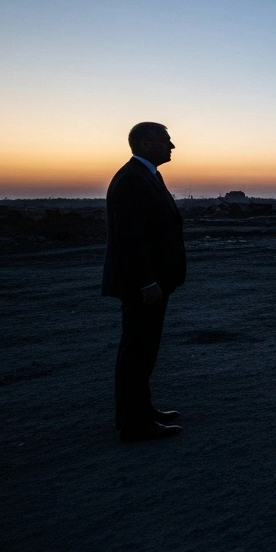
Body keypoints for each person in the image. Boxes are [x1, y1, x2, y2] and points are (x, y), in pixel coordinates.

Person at [102, 122, 186, 441]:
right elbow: (129, 238)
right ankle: (134, 423)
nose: (172, 146)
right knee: (137, 351)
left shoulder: (147, 175)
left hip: (153, 285)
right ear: (147, 143)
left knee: (144, 350)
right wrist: (146, 283)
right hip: (143, 287)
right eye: (167, 140)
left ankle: (142, 410)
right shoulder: (133, 180)